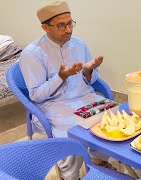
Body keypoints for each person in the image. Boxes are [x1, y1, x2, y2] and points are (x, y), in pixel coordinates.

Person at [19, 1, 105, 179]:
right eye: (61, 25)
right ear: (45, 27)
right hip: (54, 105)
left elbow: (90, 81)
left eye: (70, 23)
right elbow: (36, 95)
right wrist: (61, 77)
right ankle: (70, 175)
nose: (68, 30)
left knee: (111, 119)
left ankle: (99, 161)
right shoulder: (32, 53)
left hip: (85, 97)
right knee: (72, 136)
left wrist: (88, 71)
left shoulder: (79, 44)